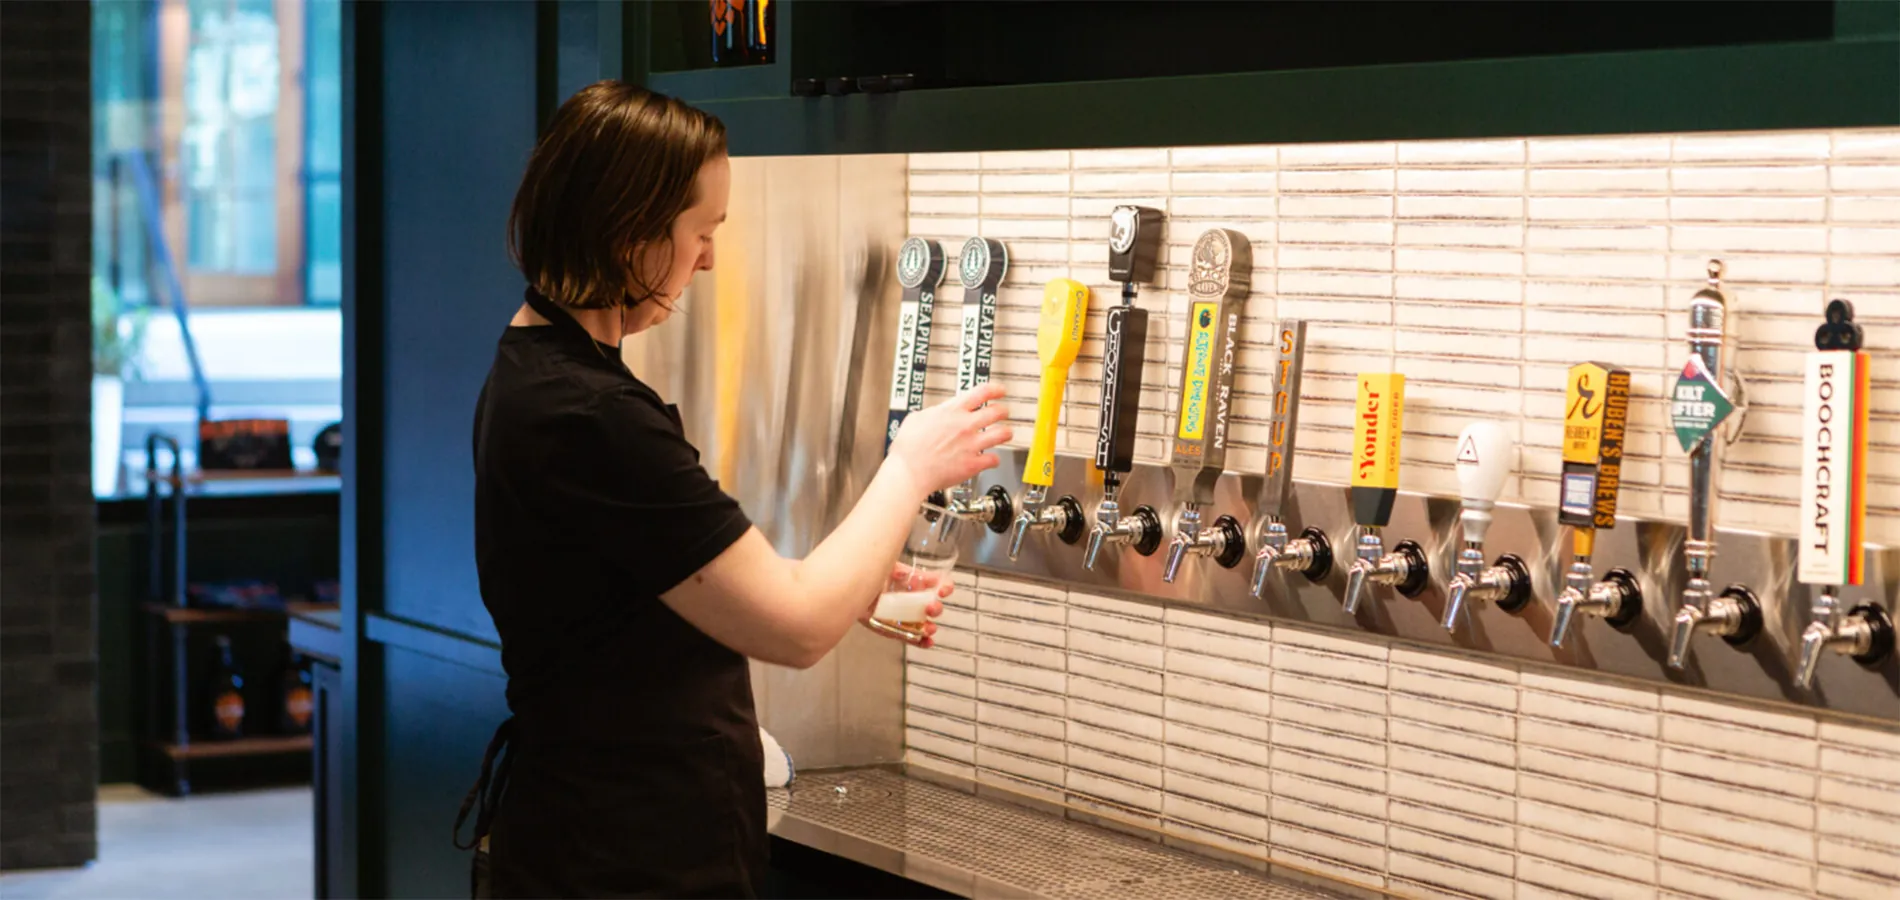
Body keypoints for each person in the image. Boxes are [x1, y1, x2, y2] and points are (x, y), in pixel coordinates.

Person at [455, 81, 1011, 898]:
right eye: (700, 231)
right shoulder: (589, 413)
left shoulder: (539, 366)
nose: (708, 257)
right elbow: (794, 631)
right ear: (627, 231)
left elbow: (631, 582)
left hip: (591, 834)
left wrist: (838, 580)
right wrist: (910, 466)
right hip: (625, 858)